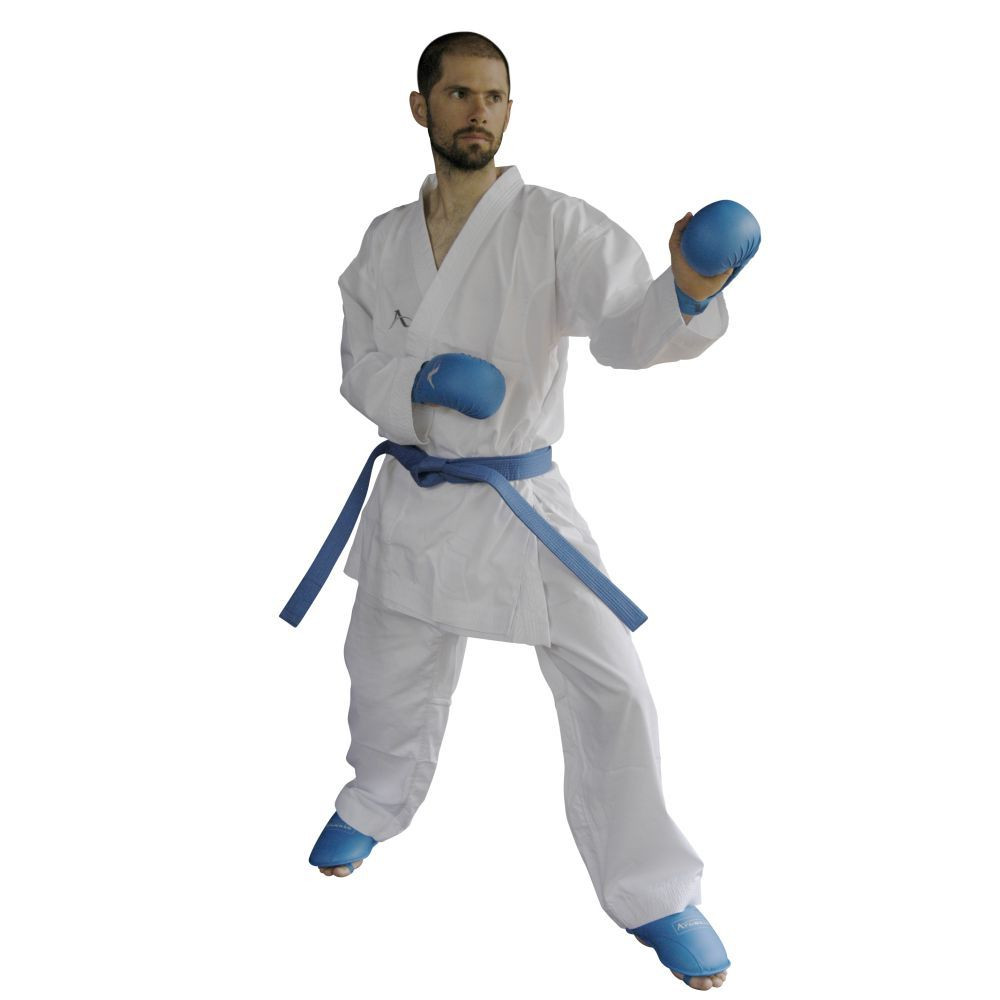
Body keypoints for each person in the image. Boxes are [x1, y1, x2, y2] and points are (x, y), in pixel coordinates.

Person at [287, 31, 740, 991]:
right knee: (384, 674)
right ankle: (372, 804)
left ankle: (656, 893)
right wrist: (421, 385)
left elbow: (625, 332)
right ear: (421, 107)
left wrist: (688, 289)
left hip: (518, 500)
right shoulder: (382, 241)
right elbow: (357, 365)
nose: (479, 112)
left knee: (614, 687)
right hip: (415, 495)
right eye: (459, 93)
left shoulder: (554, 225)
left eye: (495, 96)